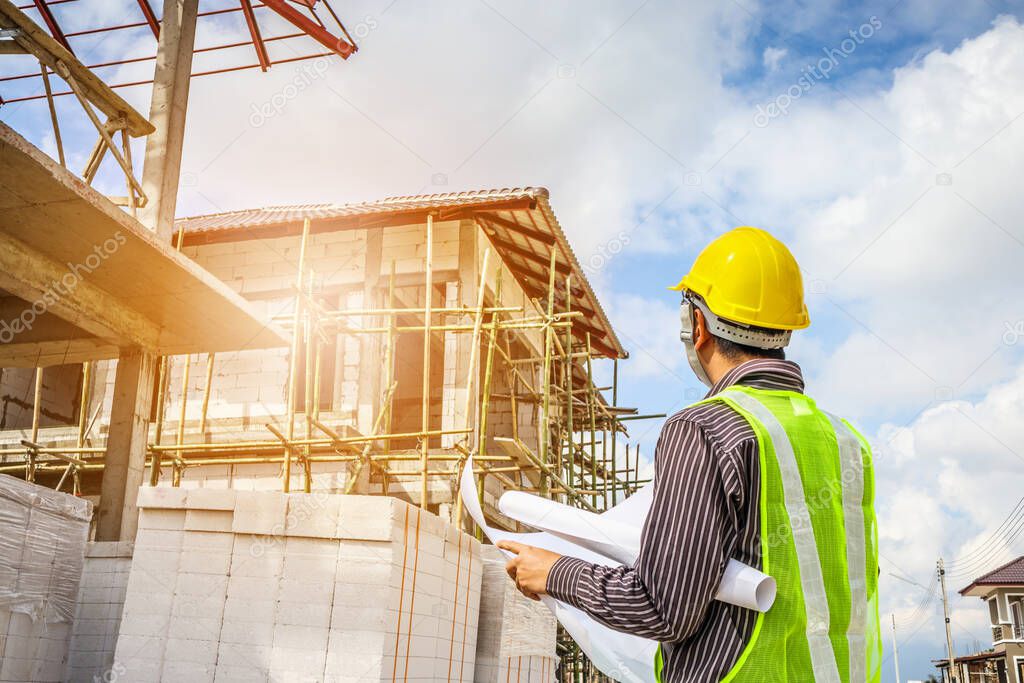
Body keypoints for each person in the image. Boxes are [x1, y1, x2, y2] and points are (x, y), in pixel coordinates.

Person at [498, 227, 882, 682]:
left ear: (696, 326)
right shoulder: (846, 440)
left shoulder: (704, 428)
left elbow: (662, 606)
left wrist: (555, 571)